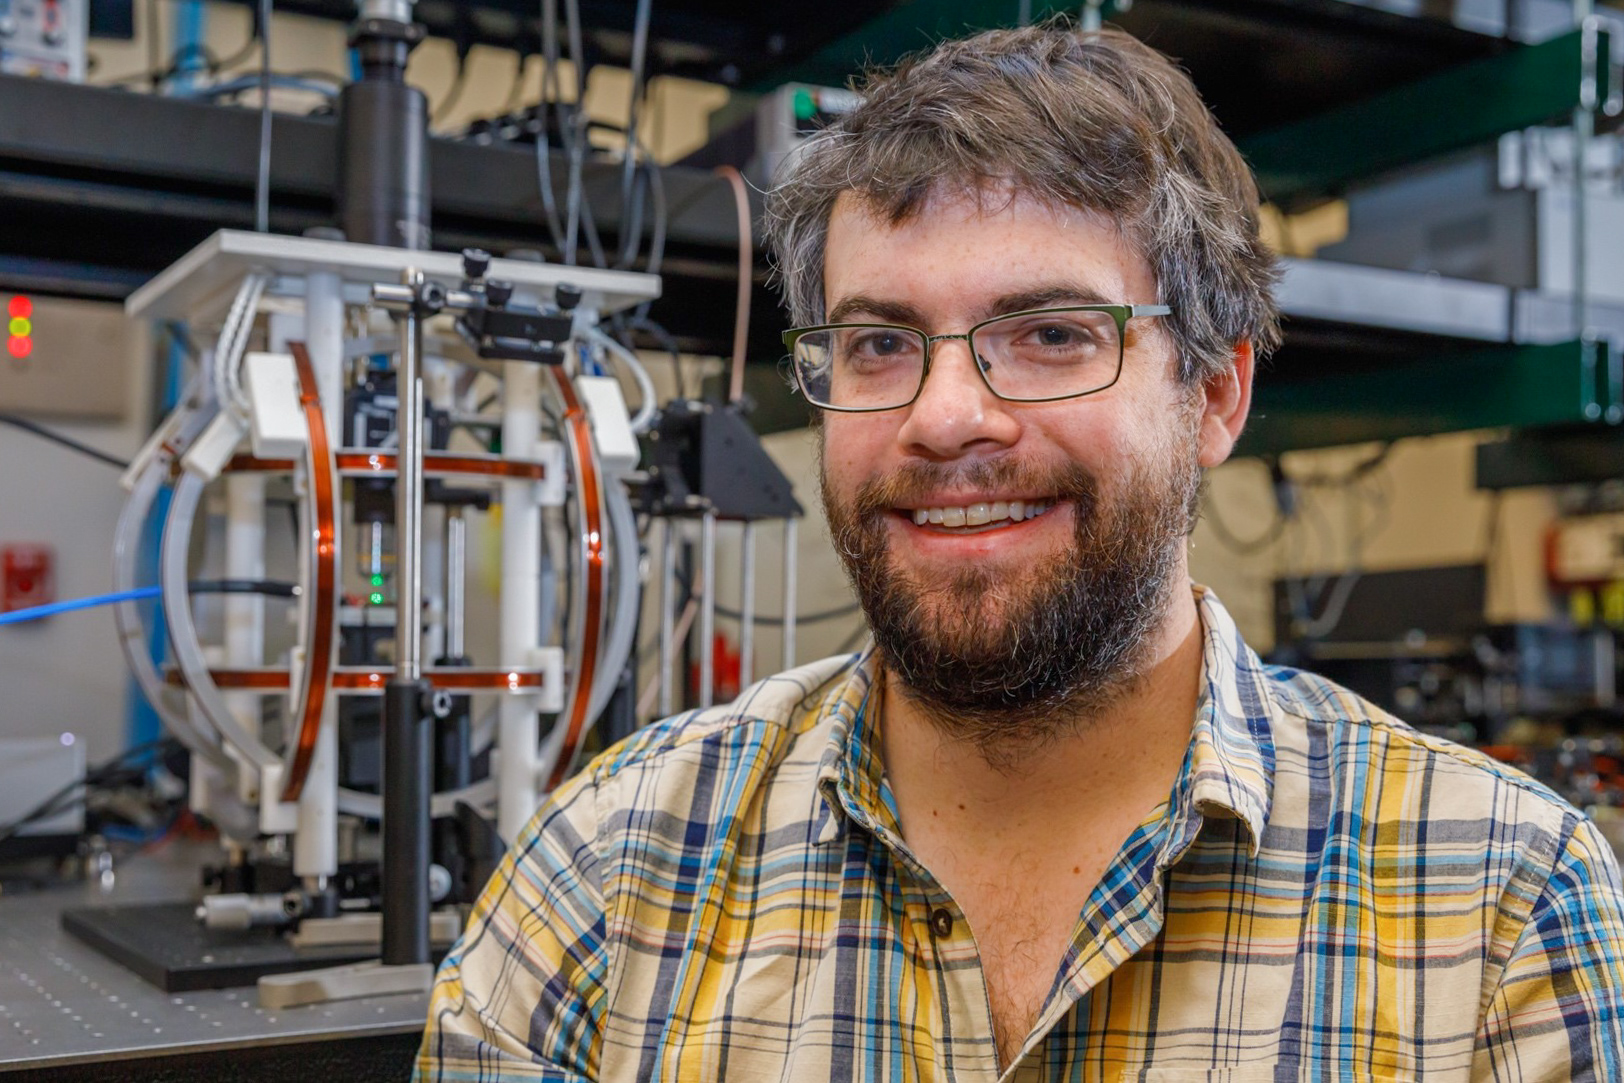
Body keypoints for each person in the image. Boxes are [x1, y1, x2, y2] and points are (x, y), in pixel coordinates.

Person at [417, 22, 1624, 1081]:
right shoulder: (610, 870)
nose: (945, 417)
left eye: (1049, 334)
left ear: (1214, 394)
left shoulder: (1499, 903)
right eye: (879, 344)